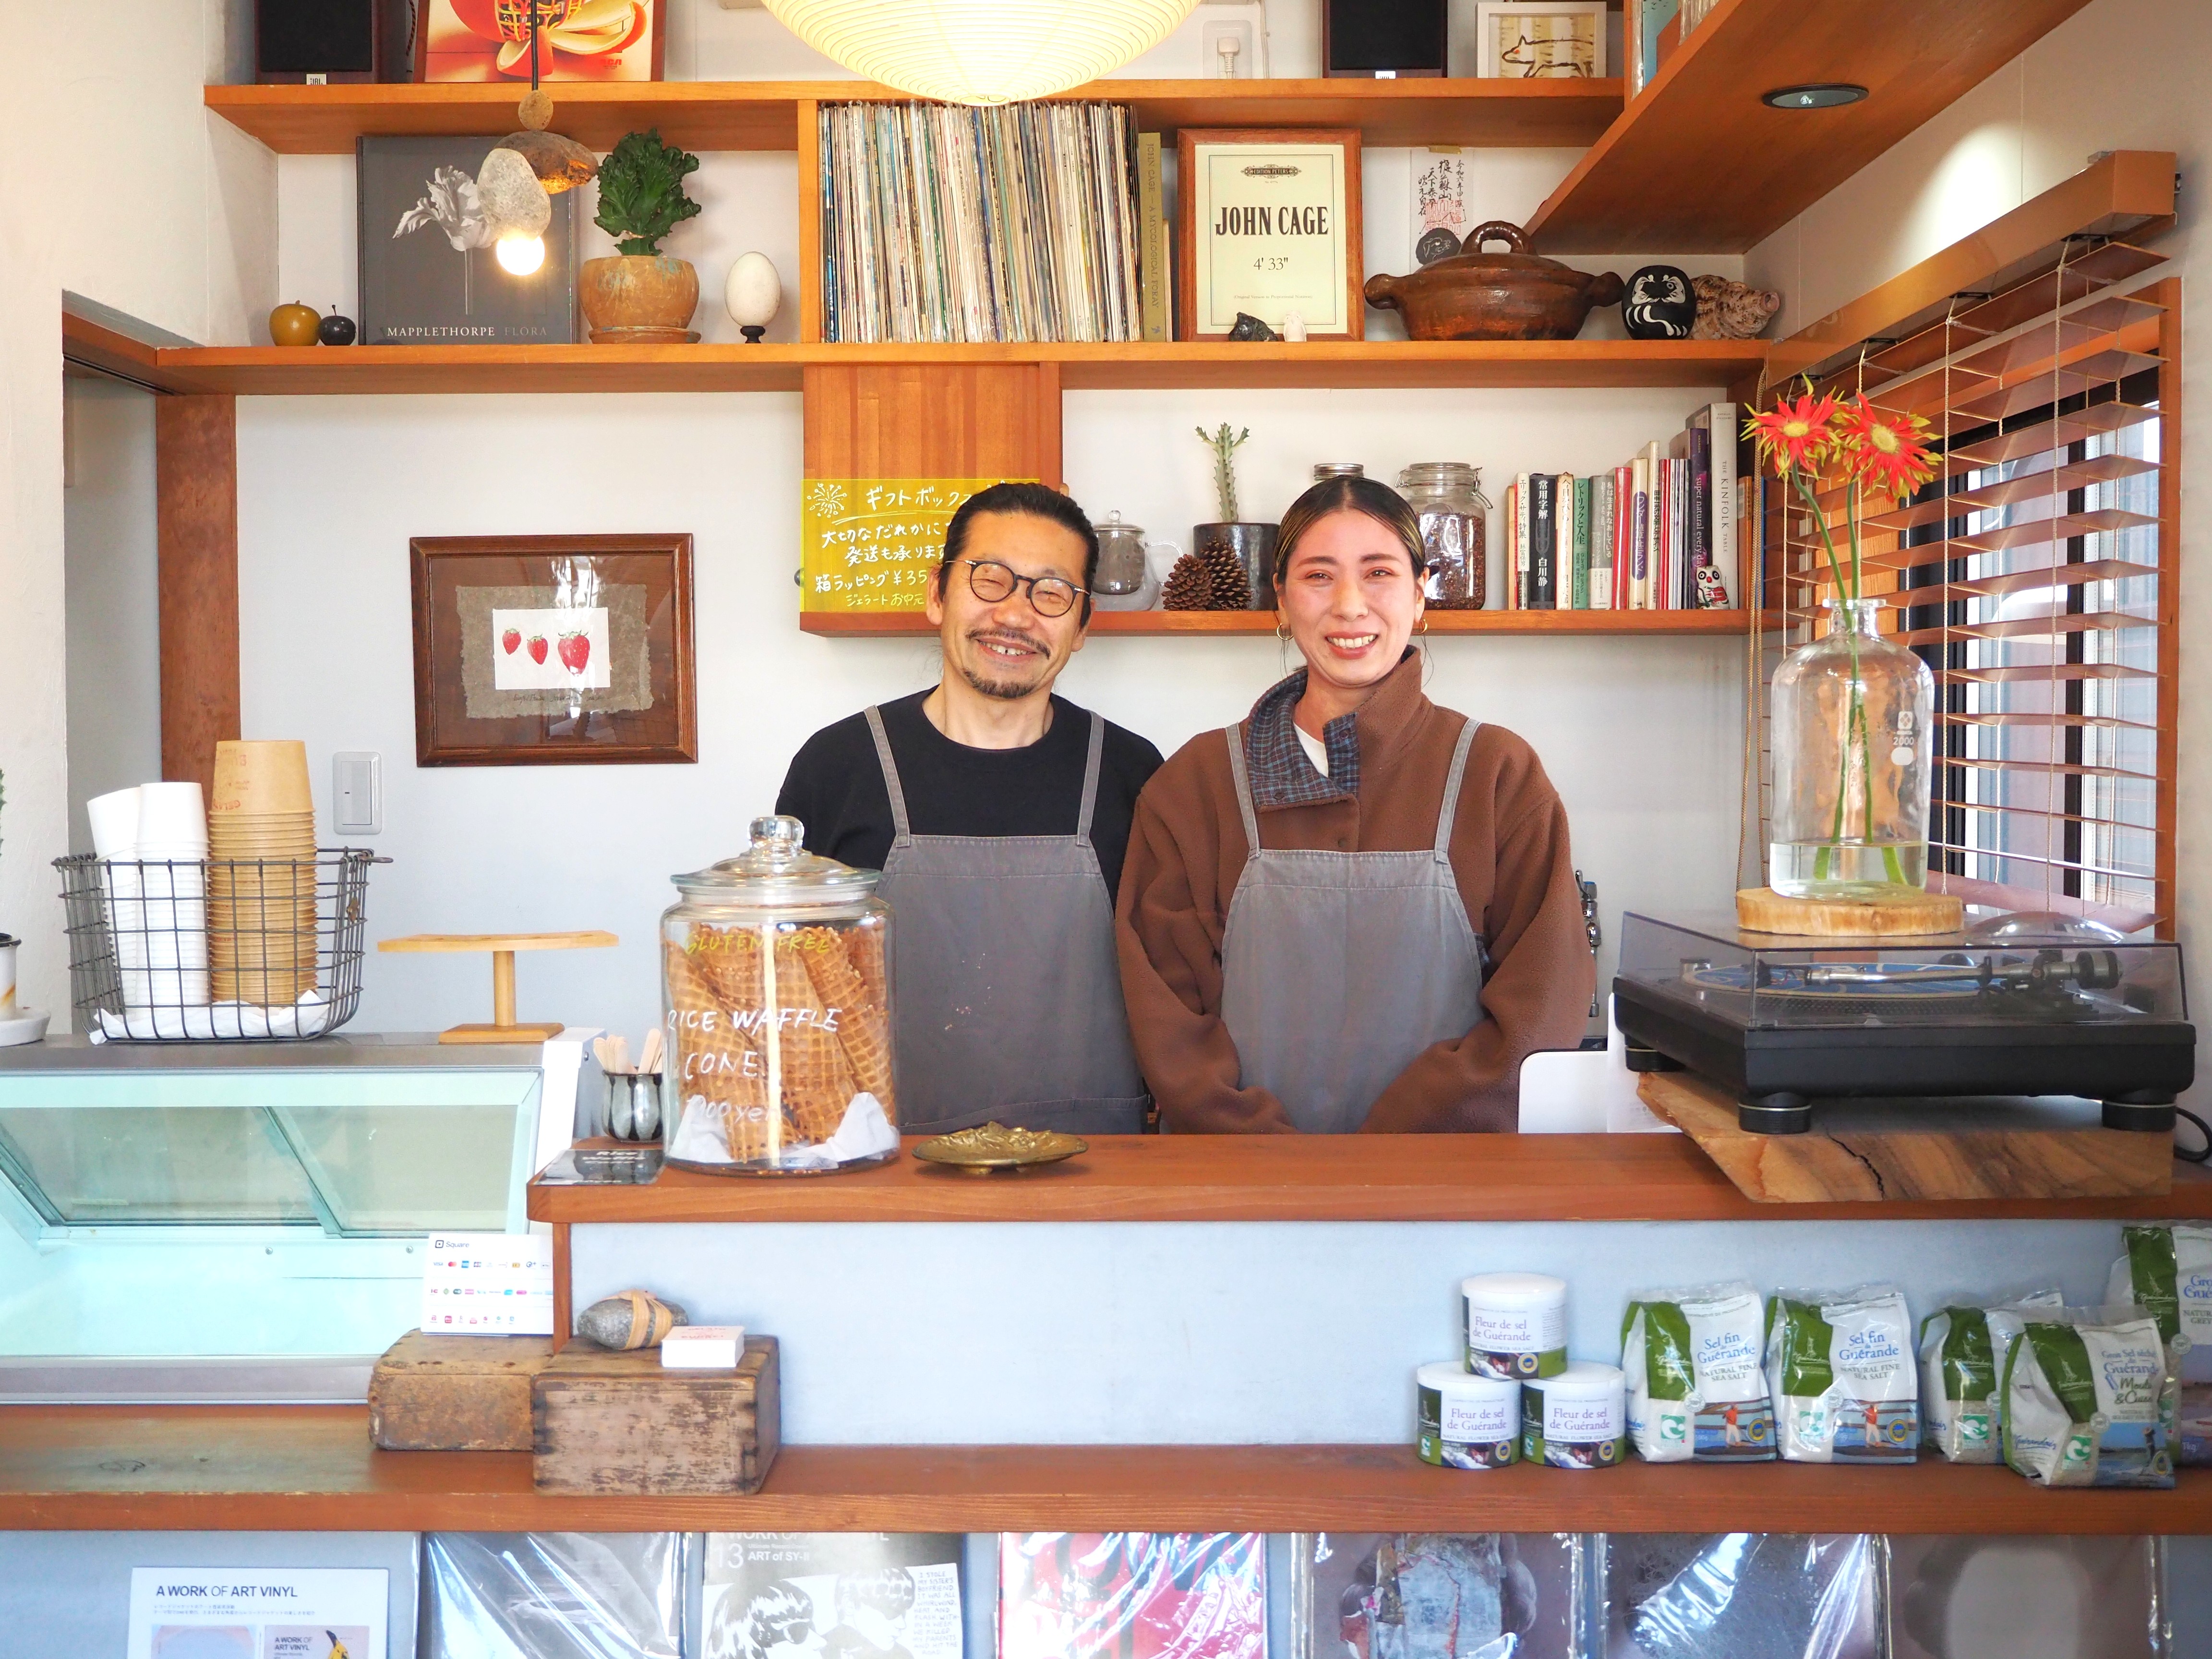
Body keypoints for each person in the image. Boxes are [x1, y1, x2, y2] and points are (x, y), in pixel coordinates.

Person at [1116, 474, 1592, 1133]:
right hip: (1241, 1179)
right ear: (1281, 599)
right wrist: (1270, 1156)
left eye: (1379, 573)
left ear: (1420, 594)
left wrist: (1387, 1158)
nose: (1349, 605)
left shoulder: (1497, 774)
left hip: (1445, 1180)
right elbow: (1166, 1012)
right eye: (1319, 576)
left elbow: (1542, 1002)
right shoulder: (1196, 783)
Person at [777, 481, 1165, 1136]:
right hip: (884, 1162)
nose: (1015, 616)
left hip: (1095, 1163)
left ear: (1082, 627)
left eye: (1051, 593)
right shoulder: (839, 766)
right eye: (991, 579)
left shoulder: (1133, 773)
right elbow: (787, 994)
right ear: (938, 593)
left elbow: (1175, 990)